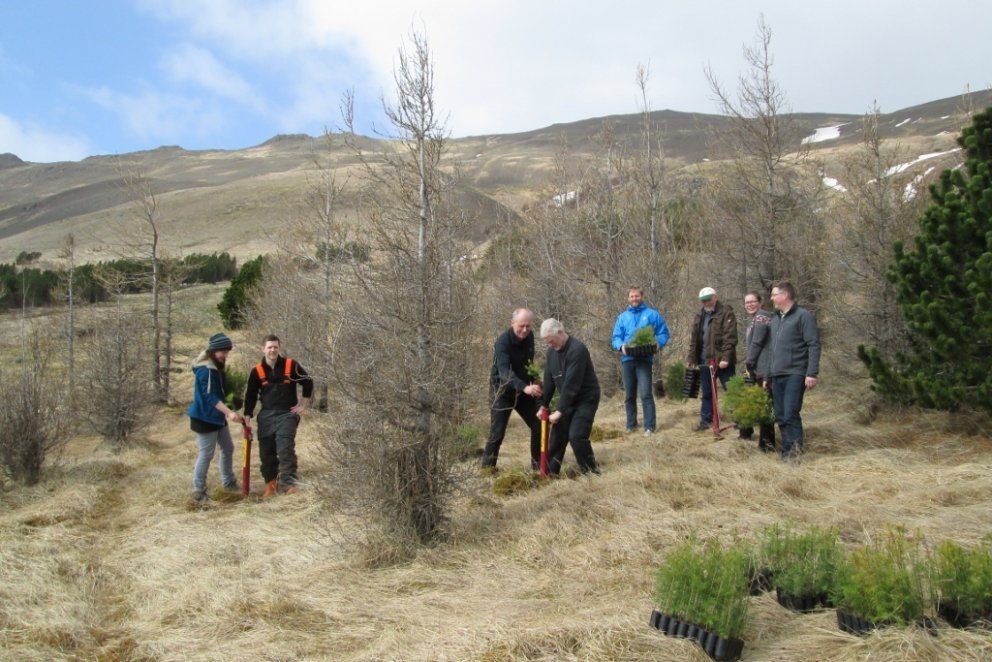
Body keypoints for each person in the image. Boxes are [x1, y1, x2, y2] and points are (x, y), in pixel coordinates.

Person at [748, 281, 821, 460]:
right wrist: (767, 376)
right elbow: (772, 351)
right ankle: (787, 452)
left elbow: (814, 344)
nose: (771, 298)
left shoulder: (803, 316)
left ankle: (794, 454)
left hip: (795, 373)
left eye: (774, 295)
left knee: (790, 413)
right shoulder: (776, 321)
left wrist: (811, 373)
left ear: (785, 295)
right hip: (776, 375)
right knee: (780, 416)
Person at [243, 335, 314, 498]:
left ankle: (288, 484)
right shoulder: (256, 371)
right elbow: (250, 395)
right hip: (266, 416)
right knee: (266, 452)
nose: (273, 350)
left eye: (275, 347)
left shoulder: (291, 365)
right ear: (263, 349)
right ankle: (271, 485)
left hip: (287, 414)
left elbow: (307, 381)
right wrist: (247, 416)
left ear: (279, 348)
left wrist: (303, 404)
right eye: (269, 347)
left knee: (285, 449)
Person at [481, 308, 543, 469]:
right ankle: (487, 470)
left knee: (538, 426)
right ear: (512, 323)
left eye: (528, 326)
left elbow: (529, 363)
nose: (525, 330)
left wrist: (535, 379)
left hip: (523, 392)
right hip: (501, 392)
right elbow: (504, 372)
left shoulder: (529, 337)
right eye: (521, 326)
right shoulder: (502, 343)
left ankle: (537, 466)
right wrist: (524, 387)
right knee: (497, 434)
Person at [538, 318, 600, 475]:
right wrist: (543, 405)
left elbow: (572, 384)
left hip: (586, 399)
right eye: (547, 342)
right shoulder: (551, 353)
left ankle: (591, 473)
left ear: (560, 332)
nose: (549, 345)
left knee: (576, 436)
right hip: (568, 400)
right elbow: (549, 381)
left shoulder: (577, 350)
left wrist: (559, 411)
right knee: (557, 437)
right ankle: (550, 474)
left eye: (551, 341)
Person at [187, 332, 243, 503]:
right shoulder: (206, 370)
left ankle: (229, 483)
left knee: (228, 447)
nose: (225, 355)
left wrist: (233, 403)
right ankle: (198, 491)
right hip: (204, 418)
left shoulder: (215, 367)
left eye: (227, 352)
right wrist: (229, 413)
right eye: (223, 352)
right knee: (206, 454)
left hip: (217, 418)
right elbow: (210, 397)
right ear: (213, 351)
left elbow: (220, 392)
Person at [611, 286, 671, 436]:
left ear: (642, 296)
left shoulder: (652, 315)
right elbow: (616, 337)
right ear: (628, 298)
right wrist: (621, 346)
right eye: (632, 296)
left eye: (637, 296)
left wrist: (658, 343)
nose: (634, 299)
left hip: (644, 359)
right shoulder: (622, 317)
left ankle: (649, 426)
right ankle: (631, 425)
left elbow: (663, 332)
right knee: (629, 395)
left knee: (646, 394)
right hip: (627, 360)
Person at [687, 286, 738, 431]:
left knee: (732, 390)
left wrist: (726, 358)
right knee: (707, 393)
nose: (706, 303)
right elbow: (694, 339)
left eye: (708, 299)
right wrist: (691, 358)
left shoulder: (726, 312)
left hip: (722, 362)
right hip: (705, 361)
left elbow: (730, 338)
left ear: (715, 297)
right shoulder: (699, 315)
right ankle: (706, 422)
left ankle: (741, 420)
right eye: (703, 300)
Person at [740, 291, 775, 452]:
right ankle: (752, 436)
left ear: (760, 302)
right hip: (758, 368)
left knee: (765, 406)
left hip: (762, 369)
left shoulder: (762, 317)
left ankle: (767, 445)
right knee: (759, 404)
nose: (749, 305)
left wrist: (749, 362)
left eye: (752, 301)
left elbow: (757, 342)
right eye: (747, 302)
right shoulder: (757, 318)